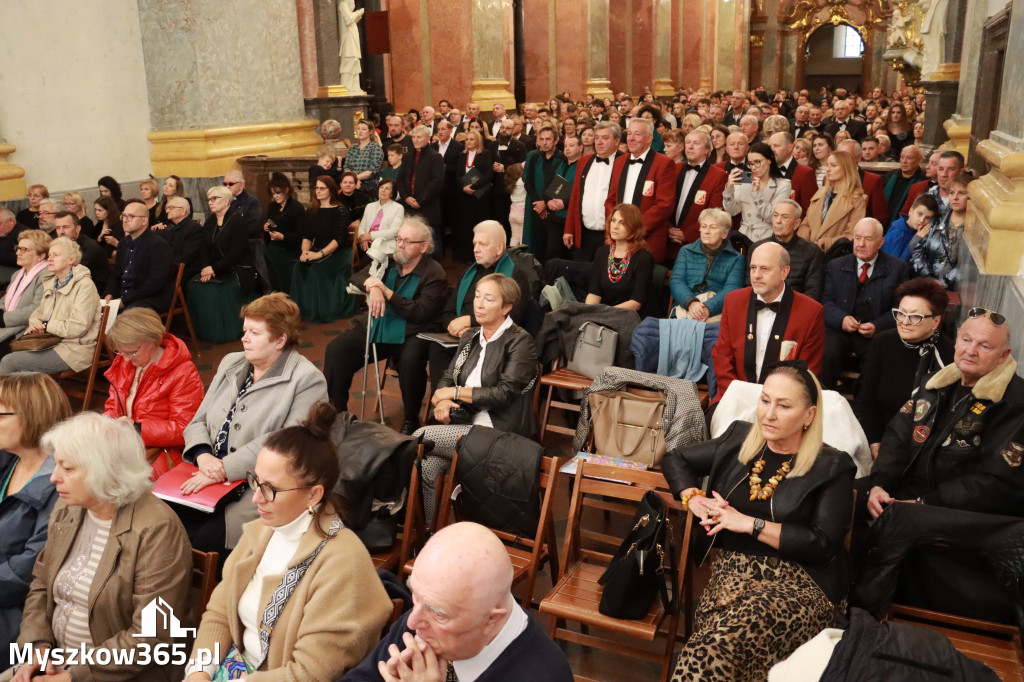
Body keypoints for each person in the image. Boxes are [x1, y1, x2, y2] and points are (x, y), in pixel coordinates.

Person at [663, 363, 855, 680]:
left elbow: (823, 544)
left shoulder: (832, 465)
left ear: (809, 415)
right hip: (733, 575)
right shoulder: (740, 438)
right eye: (765, 400)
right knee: (721, 640)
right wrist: (693, 497)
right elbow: (675, 458)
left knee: (719, 640)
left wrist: (749, 524)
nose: (769, 414)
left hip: (801, 583)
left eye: (784, 406)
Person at [184, 402, 391, 682]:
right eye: (255, 481)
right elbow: (220, 613)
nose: (256, 497)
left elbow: (309, 674)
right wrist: (199, 671)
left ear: (313, 495)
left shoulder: (342, 563)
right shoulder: (262, 531)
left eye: (270, 488)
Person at [10, 412, 193, 682]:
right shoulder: (68, 509)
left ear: (104, 471)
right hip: (58, 663)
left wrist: (73, 675)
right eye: (56, 465)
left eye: (68, 468)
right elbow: (41, 583)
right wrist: (37, 648)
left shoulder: (157, 529)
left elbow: (152, 636)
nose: (54, 478)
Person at [180, 293, 328, 557]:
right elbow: (198, 421)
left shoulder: (307, 379)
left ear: (280, 339)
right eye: (244, 330)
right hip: (205, 474)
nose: (244, 338)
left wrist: (222, 468)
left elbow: (286, 444)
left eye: (254, 333)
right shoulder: (231, 363)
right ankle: (162, 597)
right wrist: (203, 456)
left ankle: (211, 597)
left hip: (257, 488)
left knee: (198, 543)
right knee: (164, 526)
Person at [343, 522, 574, 682]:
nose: (412, 622)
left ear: (491, 620)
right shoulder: (422, 623)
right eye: (415, 595)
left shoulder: (544, 674)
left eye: (439, 613)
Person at [415, 273, 538, 519]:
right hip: (463, 423)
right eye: (477, 297)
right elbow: (449, 376)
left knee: (420, 437)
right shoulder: (471, 336)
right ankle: (425, 536)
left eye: (489, 299)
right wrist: (445, 399)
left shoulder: (520, 342)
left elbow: (504, 393)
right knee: (426, 467)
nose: (479, 304)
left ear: (507, 307)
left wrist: (456, 393)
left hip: (499, 433)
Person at [323, 218, 449, 434]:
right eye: (399, 239)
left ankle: (411, 418)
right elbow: (358, 276)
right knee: (337, 350)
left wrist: (387, 292)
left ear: (423, 247)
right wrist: (373, 287)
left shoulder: (434, 273)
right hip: (380, 325)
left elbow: (420, 312)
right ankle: (336, 415)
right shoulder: (390, 260)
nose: (400, 244)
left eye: (407, 241)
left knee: (410, 361)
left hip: (412, 331)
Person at [0, 373, 72, 668]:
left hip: (24, 613)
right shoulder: (9, 460)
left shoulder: (61, 484)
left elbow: (28, 572)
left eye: (1, 413)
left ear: (33, 415)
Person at [712, 242, 825, 403]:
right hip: (734, 397)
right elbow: (721, 357)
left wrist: (770, 403)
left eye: (765, 269)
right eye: (753, 268)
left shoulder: (811, 312)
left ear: (784, 272)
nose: (756, 275)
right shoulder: (733, 301)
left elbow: (808, 372)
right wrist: (739, 396)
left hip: (783, 404)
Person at [853, 277, 953, 456]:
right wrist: (875, 444)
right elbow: (866, 399)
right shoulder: (883, 342)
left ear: (935, 321)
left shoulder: (948, 353)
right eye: (901, 313)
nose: (905, 322)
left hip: (927, 446)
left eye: (915, 316)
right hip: (881, 436)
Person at [103, 307, 204, 481]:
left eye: (132, 352)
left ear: (152, 342)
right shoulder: (125, 363)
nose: (126, 358)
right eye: (120, 352)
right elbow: (113, 405)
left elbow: (186, 429)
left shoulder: (182, 372)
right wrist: (106, 423)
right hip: (128, 448)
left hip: (160, 455)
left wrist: (137, 428)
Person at [430, 221, 531, 390]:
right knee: (436, 349)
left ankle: (464, 409)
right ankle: (441, 408)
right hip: (459, 338)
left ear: (499, 248)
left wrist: (470, 322)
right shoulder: (468, 273)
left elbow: (512, 319)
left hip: (494, 341)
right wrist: (455, 327)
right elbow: (448, 311)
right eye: (475, 244)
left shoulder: (515, 276)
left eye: (482, 244)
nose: (476, 249)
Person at [820, 218, 909, 389]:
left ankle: (863, 408)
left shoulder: (898, 269)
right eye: (857, 238)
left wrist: (878, 326)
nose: (860, 244)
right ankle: (824, 400)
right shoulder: (835, 265)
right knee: (827, 353)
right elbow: (825, 302)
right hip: (840, 331)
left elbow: (900, 310)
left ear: (881, 242)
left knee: (877, 363)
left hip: (876, 334)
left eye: (868, 239)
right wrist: (842, 319)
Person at [0, 237, 101, 376]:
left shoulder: (84, 285)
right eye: (50, 255)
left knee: (9, 361)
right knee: (9, 355)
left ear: (71, 260)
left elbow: (78, 327)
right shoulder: (52, 282)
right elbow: (37, 314)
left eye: (56, 255)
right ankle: (28, 397)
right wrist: (36, 324)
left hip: (72, 349)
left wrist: (46, 325)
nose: (50, 259)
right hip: (46, 342)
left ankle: (9, 397)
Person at [604, 118, 676, 263]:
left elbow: (664, 205)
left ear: (649, 138)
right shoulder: (619, 161)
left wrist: (632, 228)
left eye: (637, 134)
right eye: (629, 134)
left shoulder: (664, 163)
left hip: (647, 240)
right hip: (618, 241)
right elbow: (611, 199)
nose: (631, 138)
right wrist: (616, 227)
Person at [187, 187, 251, 343]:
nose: (210, 202)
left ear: (226, 201)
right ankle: (203, 331)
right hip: (214, 267)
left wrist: (214, 268)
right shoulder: (210, 221)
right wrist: (205, 267)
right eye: (209, 199)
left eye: (214, 199)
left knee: (216, 290)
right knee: (193, 286)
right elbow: (203, 248)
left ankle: (225, 332)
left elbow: (236, 253)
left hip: (237, 267)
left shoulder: (238, 221)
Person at [291, 175, 356, 324]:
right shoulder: (312, 211)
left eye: (322, 188)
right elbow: (306, 236)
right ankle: (302, 311)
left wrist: (318, 254)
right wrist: (305, 253)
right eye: (316, 188)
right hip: (317, 249)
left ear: (331, 190)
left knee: (316, 270)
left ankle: (319, 311)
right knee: (298, 267)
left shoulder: (341, 211)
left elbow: (338, 240)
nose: (318, 191)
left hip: (339, 253)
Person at [669, 207, 744, 327]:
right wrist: (691, 302)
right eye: (703, 226)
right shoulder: (686, 251)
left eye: (713, 227)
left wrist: (708, 308)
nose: (706, 231)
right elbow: (676, 281)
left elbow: (732, 289)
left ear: (724, 233)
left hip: (716, 311)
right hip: (686, 307)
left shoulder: (736, 258)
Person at [564, 121, 623, 262]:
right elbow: (575, 197)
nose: (599, 142)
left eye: (605, 138)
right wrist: (569, 229)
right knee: (581, 274)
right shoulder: (584, 161)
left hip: (611, 235)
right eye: (597, 138)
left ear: (616, 141)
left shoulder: (625, 162)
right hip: (584, 233)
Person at [105, 199, 175, 312]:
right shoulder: (123, 243)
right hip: (126, 297)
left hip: (149, 298)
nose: (125, 220)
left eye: (131, 216)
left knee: (129, 312)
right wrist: (109, 294)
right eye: (124, 216)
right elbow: (116, 275)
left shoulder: (158, 245)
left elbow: (154, 283)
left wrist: (125, 301)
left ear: (144, 221)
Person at [669, 130, 728, 263]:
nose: (690, 146)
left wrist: (687, 234)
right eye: (688, 142)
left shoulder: (718, 175)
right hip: (667, 239)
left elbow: (714, 212)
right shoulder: (673, 168)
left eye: (696, 143)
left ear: (707, 149)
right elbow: (664, 201)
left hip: (696, 245)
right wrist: (668, 228)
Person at [584, 203, 655, 315]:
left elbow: (636, 303)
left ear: (633, 228)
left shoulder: (643, 257)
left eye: (622, 223)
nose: (615, 226)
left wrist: (604, 314)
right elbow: (594, 293)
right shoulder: (602, 252)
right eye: (613, 220)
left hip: (629, 317)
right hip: (603, 314)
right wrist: (588, 312)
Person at [910, 171, 972, 290]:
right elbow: (917, 250)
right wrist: (929, 278)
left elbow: (968, 267)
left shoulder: (974, 229)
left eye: (962, 193)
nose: (955, 197)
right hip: (926, 285)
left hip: (957, 289)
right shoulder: (936, 220)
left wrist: (943, 283)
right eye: (952, 192)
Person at [723, 142, 793, 245]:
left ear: (769, 160)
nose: (754, 167)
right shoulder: (745, 182)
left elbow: (771, 217)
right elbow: (732, 212)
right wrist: (729, 188)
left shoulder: (783, 185)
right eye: (750, 163)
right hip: (744, 238)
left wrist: (757, 194)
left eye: (757, 162)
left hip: (768, 238)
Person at [797, 150, 866, 251]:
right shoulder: (820, 193)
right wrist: (804, 241)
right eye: (827, 165)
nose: (828, 169)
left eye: (833, 165)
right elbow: (805, 224)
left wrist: (823, 243)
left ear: (846, 169)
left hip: (833, 254)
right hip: (808, 252)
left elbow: (852, 234)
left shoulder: (856, 199)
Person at [0, 230, 50, 357]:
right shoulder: (18, 274)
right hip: (9, 325)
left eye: (25, 250)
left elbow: (37, 309)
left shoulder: (46, 275)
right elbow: (4, 300)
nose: (18, 253)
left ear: (41, 256)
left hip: (26, 331)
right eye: (18, 248)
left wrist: (3, 319)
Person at [523, 126, 569, 263]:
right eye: (541, 139)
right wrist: (538, 203)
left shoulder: (563, 158)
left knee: (553, 249)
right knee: (537, 245)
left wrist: (546, 204)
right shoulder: (533, 156)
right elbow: (528, 182)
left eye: (548, 139)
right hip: (536, 208)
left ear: (555, 141)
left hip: (554, 210)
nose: (544, 142)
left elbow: (561, 185)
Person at [400, 125, 446, 257]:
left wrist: (420, 200)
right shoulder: (408, 156)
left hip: (428, 206)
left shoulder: (435, 157)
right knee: (413, 240)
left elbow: (437, 182)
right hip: (410, 205)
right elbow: (400, 179)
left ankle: (435, 272)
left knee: (433, 241)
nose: (415, 140)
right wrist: (406, 197)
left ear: (428, 138)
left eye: (419, 137)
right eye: (413, 137)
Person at [453, 130, 495, 262]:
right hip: (465, 195)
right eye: (467, 139)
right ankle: (466, 255)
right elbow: (458, 175)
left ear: (477, 141)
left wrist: (474, 187)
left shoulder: (486, 154)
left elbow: (489, 174)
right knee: (465, 225)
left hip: (480, 196)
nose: (468, 142)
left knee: (480, 225)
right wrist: (463, 187)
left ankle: (482, 254)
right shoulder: (461, 155)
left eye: (472, 139)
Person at [836, 139, 888, 226]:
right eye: (838, 155)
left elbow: (880, 217)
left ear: (858, 157)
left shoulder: (872, 181)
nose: (840, 160)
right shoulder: (828, 179)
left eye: (845, 155)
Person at [54, 211, 109, 289]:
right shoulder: (60, 245)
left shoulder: (90, 248)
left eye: (66, 227)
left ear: (77, 228)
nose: (61, 232)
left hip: (93, 292)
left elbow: (73, 275)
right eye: (58, 228)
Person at [357, 178, 405, 265]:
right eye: (381, 187)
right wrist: (363, 239)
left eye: (387, 189)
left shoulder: (398, 208)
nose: (383, 190)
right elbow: (362, 226)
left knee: (368, 262)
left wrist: (370, 236)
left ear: (392, 193)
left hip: (384, 244)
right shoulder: (370, 206)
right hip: (367, 244)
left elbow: (394, 231)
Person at [769, 132, 819, 215]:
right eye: (770, 146)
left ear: (789, 148)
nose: (772, 149)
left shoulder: (805, 173)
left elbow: (810, 209)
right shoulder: (764, 169)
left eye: (776, 146)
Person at [882, 144, 926, 223]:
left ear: (920, 160)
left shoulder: (923, 180)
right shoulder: (890, 176)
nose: (904, 161)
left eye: (909, 158)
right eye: (902, 157)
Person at [343, 119, 384, 194]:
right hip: (351, 182)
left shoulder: (375, 148)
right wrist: (351, 181)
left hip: (369, 184)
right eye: (358, 129)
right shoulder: (353, 148)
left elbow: (372, 171)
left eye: (364, 129)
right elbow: (347, 167)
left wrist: (354, 179)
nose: (360, 131)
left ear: (370, 132)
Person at [223, 170, 263, 238]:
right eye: (225, 184)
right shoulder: (223, 200)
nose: (227, 187)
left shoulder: (252, 201)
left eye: (231, 184)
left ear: (241, 185)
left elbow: (254, 227)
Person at [0, 209, 26, 287]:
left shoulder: (24, 235)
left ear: (11, 221)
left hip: (14, 279)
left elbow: (20, 258)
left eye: (0, 223)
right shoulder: (4, 231)